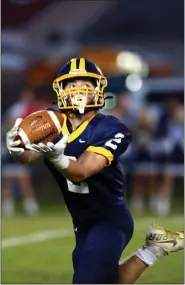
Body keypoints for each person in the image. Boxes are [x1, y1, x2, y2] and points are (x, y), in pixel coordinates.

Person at [6, 58, 184, 284]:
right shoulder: (52, 122)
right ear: (61, 89)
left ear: (98, 90)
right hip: (81, 222)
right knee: (107, 280)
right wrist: (16, 148)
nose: (79, 90)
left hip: (110, 219)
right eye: (72, 85)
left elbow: (82, 171)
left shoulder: (111, 127)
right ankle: (153, 249)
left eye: (86, 85)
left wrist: (58, 157)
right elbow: (27, 156)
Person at [2, 87, 39, 217]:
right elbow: (10, 123)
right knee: (8, 180)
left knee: (24, 181)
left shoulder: (32, 110)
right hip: (10, 149)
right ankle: (7, 209)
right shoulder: (17, 108)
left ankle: (31, 208)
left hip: (21, 148)